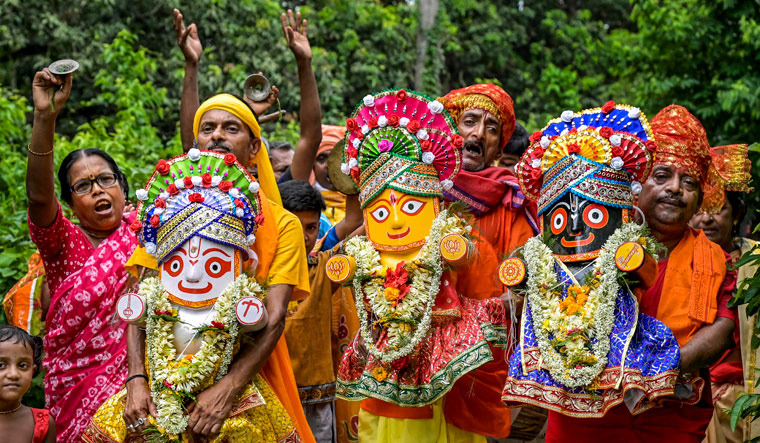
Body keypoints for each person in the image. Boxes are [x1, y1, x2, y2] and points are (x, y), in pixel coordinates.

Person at [545, 104, 738, 442]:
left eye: (689, 182)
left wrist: (666, 365)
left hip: (670, 415)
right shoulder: (590, 237)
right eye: (662, 176)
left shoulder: (718, 260)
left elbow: (723, 328)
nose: (675, 189)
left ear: (699, 197)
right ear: (637, 184)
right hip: (586, 410)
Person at [333, 88, 511, 442]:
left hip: (448, 403)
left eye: (412, 206)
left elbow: (495, 327)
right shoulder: (365, 245)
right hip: (381, 395)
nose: (397, 222)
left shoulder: (466, 242)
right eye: (382, 210)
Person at [503, 103, 681, 416]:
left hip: (613, 325)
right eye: (561, 219)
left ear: (621, 216)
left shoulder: (625, 247)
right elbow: (521, 282)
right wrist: (521, 274)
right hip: (554, 327)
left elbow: (648, 274)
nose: (573, 227)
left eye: (593, 215)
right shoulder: (545, 257)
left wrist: (633, 259)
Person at [26, 68, 137, 442]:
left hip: (140, 387)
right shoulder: (63, 244)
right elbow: (39, 198)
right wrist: (45, 116)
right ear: (70, 203)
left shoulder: (146, 230)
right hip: (74, 391)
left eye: (106, 179)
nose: (99, 191)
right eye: (84, 186)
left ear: (122, 186)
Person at [437, 84, 538, 439]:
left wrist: (492, 312)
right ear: (451, 130)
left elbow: (525, 277)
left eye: (492, 128)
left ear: (498, 146)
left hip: (479, 360)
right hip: (415, 352)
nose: (478, 133)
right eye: (469, 121)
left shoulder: (511, 201)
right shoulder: (419, 186)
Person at [174, 8, 322, 180]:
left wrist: (304, 62)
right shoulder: (188, 195)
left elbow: (310, 139)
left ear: (254, 147)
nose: (216, 135)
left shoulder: (275, 198)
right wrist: (191, 64)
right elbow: (188, 143)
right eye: (207, 129)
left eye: (231, 128)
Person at [280, 180, 362, 443]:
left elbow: (362, 228)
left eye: (312, 228)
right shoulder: (256, 273)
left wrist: (351, 174)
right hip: (275, 393)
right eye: (295, 226)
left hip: (317, 397)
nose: (304, 237)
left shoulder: (325, 268)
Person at [690, 144, 754, 442]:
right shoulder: (669, 262)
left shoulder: (754, 262)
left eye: (718, 209)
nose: (707, 219)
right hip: (687, 398)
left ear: (737, 213)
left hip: (746, 400)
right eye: (700, 210)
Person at [0, 325, 54, 443]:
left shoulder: (42, 424)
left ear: (32, 371)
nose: (13, 374)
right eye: (1, 365)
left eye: (22, 365)